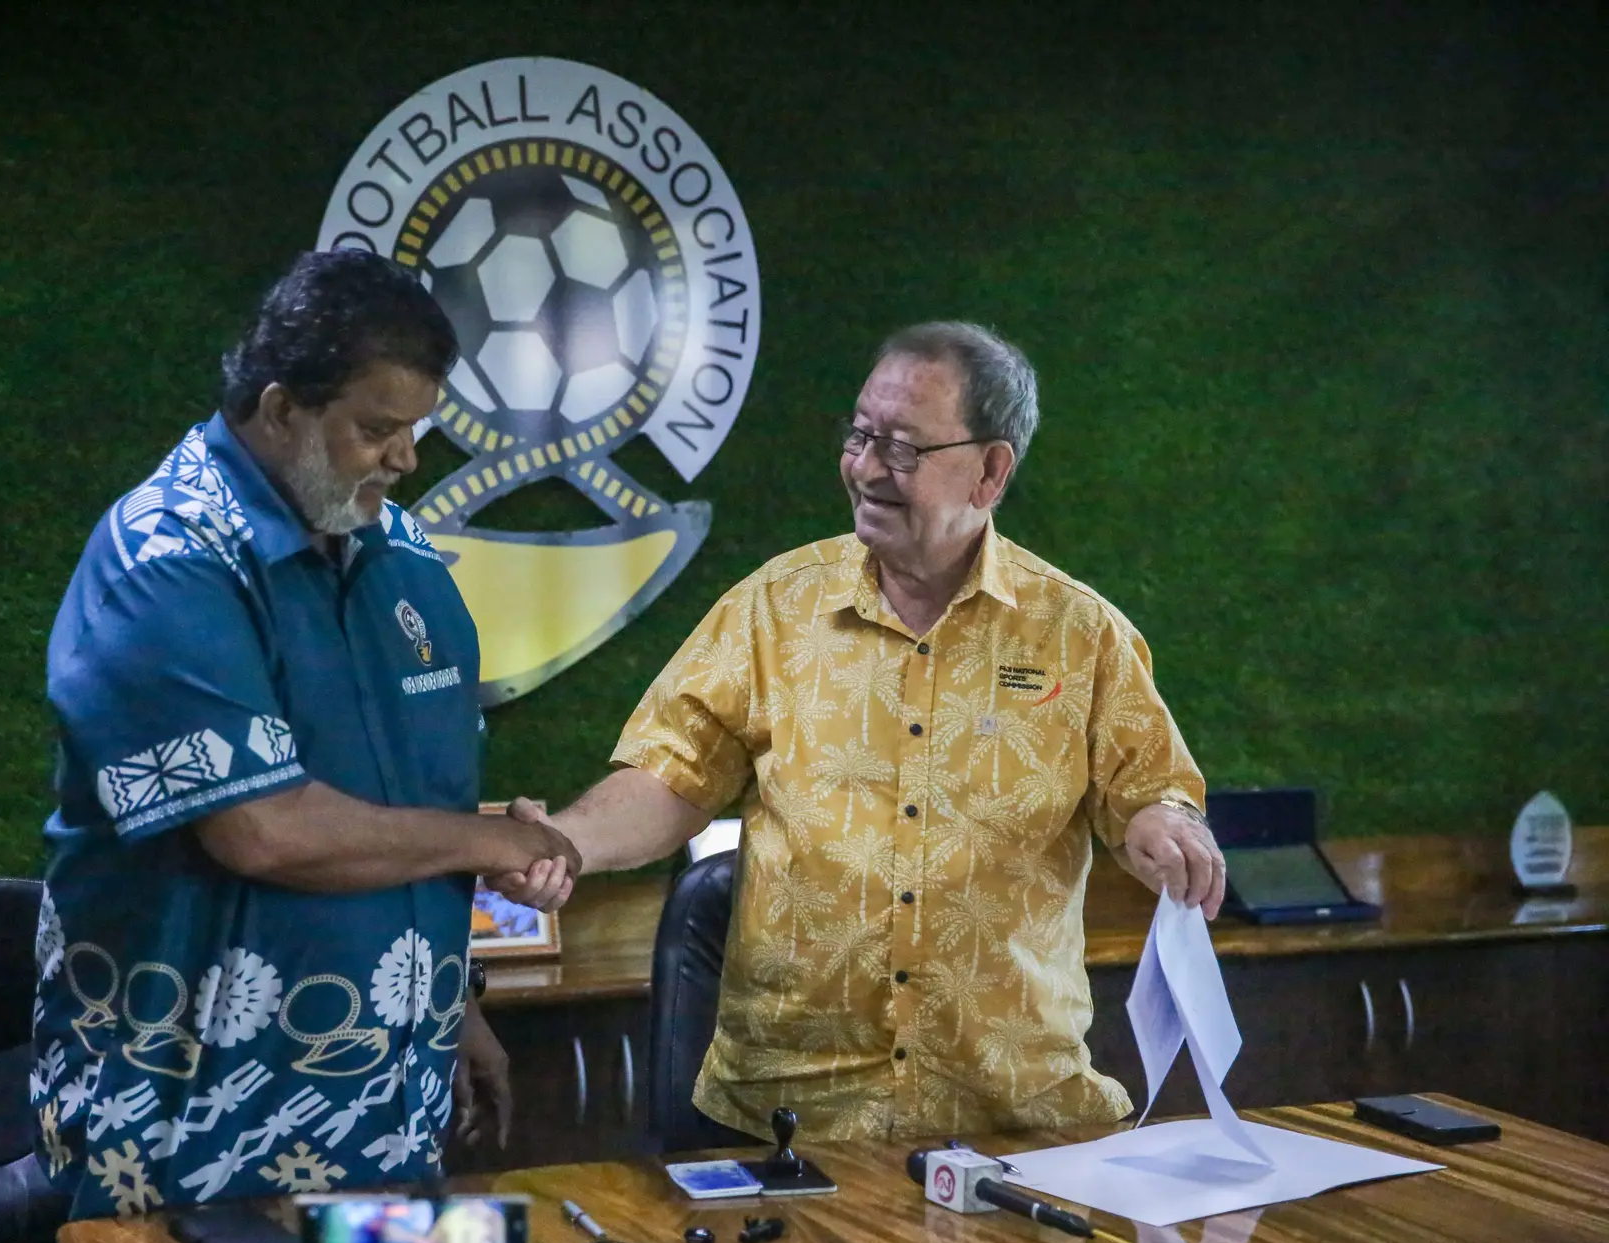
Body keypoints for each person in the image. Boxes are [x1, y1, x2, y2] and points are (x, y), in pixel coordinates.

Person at [505, 322, 1224, 1142]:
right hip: (789, 1119)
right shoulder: (773, 609)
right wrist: (566, 842)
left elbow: (1150, 791)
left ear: (991, 471)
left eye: (905, 449)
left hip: (1009, 1120)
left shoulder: (1079, 634)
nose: (868, 468)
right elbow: (671, 778)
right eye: (861, 435)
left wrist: (1166, 822)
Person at [30, 250, 577, 1219]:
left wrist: (456, 1007)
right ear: (280, 409)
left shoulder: (405, 558)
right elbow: (267, 829)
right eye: (376, 427)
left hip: (388, 1124)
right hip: (192, 1138)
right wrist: (502, 839)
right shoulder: (165, 555)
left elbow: (415, 813)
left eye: (415, 428)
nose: (405, 457)